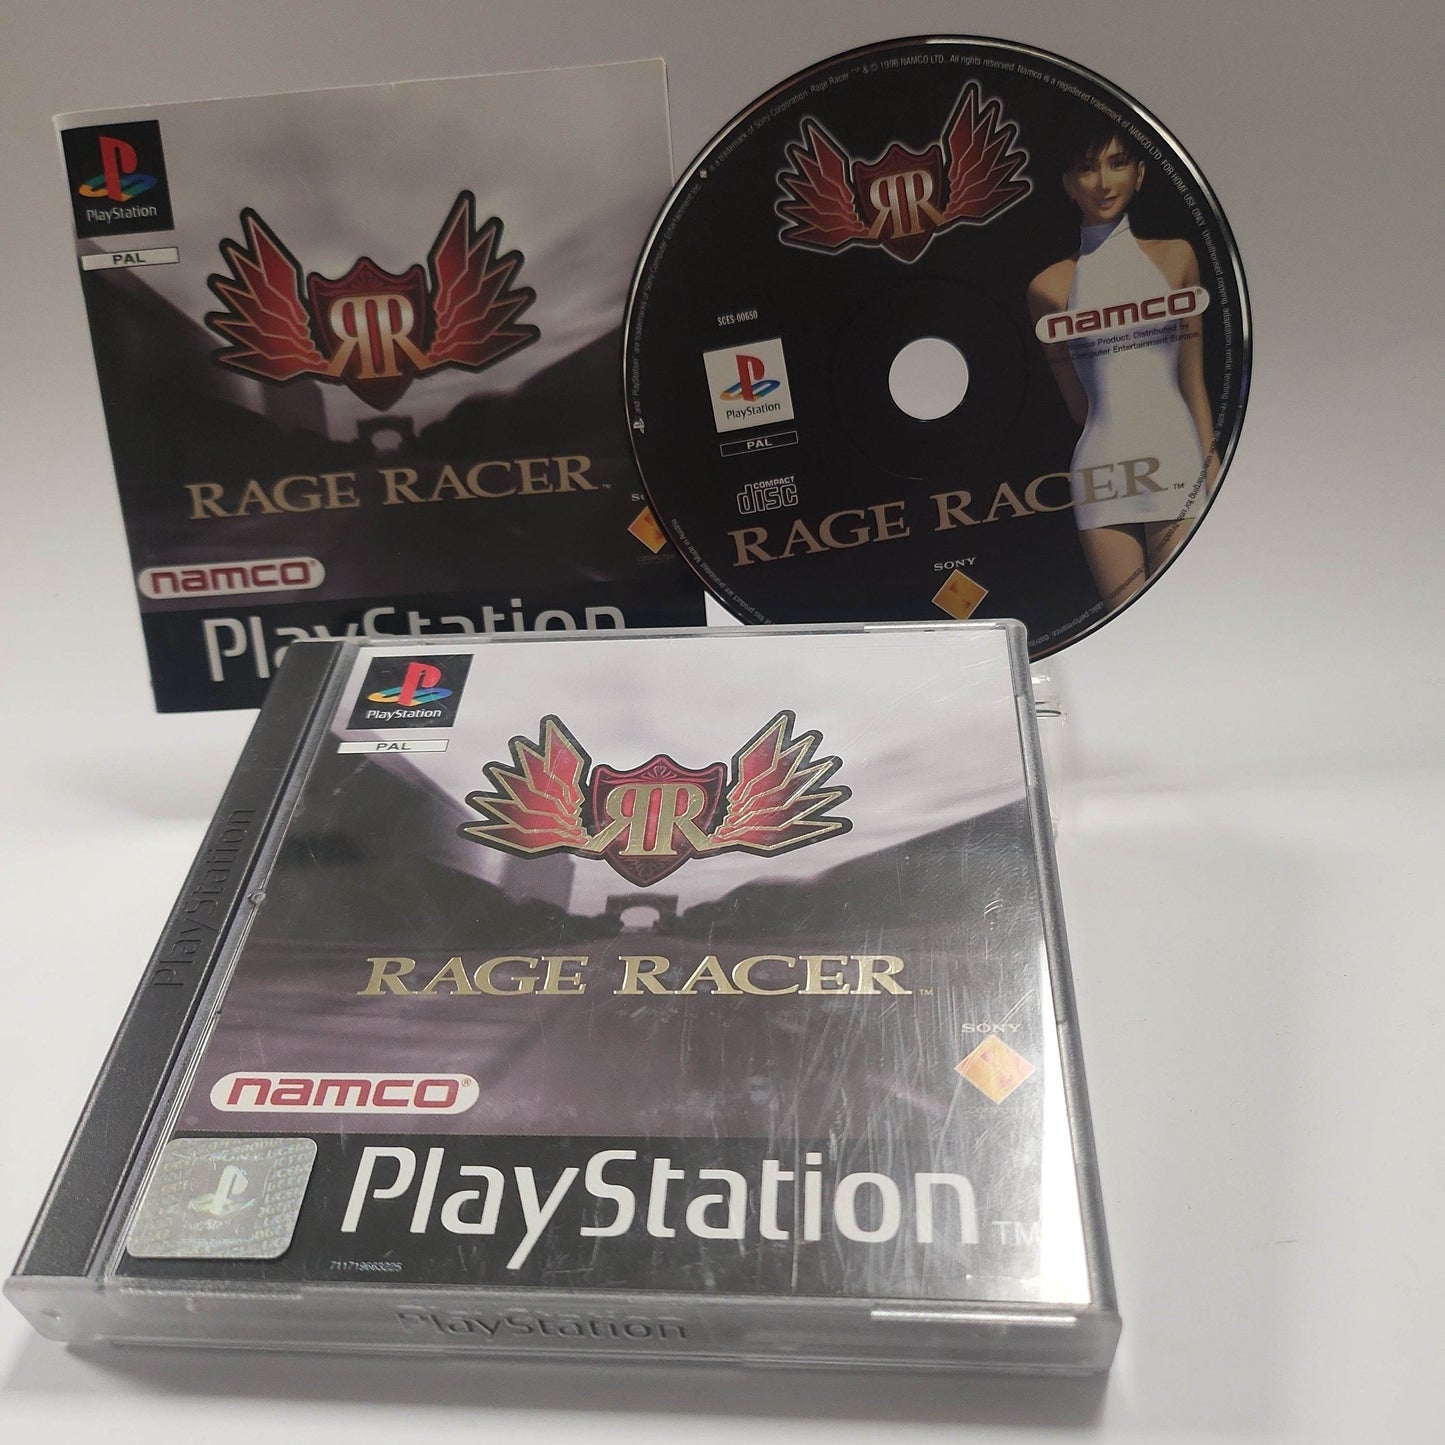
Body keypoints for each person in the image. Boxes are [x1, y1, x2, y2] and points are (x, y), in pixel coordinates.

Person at [1027, 128, 1219, 608]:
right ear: (1068, 184)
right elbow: (1078, 408)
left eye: (1117, 163)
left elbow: (1192, 379)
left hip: (1177, 458)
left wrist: (1210, 462)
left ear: (1140, 173)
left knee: (1188, 612)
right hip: (1102, 471)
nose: (1103, 182)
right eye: (1086, 168)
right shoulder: (1048, 287)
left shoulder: (1177, 257)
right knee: (1128, 625)